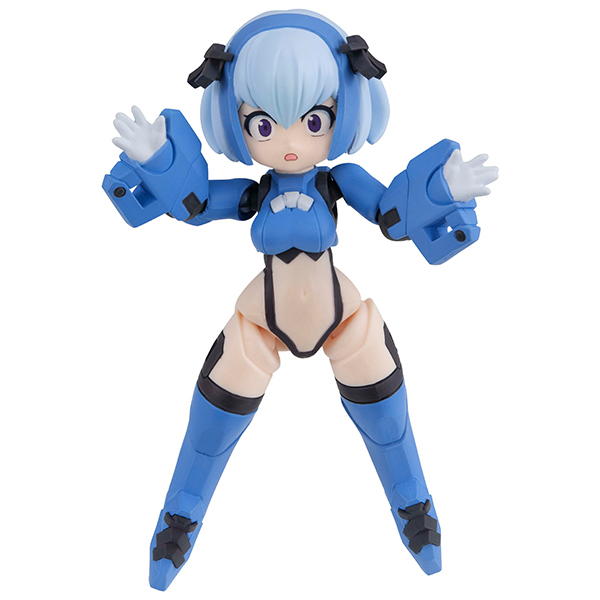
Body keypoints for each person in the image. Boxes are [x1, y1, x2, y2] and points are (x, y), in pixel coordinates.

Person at [103, 9, 498, 591]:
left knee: (390, 425)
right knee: (209, 433)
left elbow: (393, 216)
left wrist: (442, 189)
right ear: (235, 120)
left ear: (345, 111)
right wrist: (159, 158)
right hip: (260, 321)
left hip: (344, 317)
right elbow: (194, 205)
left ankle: (415, 512)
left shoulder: (339, 183)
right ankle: (178, 524)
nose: (289, 142)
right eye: (263, 124)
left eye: (314, 120)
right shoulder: (254, 193)